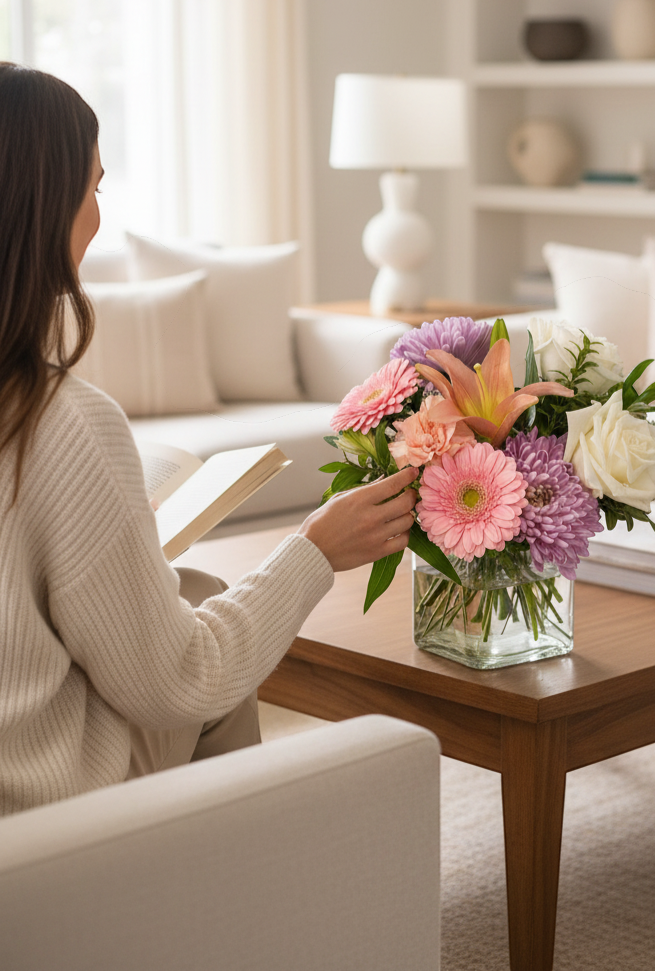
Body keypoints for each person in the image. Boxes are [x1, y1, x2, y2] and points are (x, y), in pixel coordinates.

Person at [0, 62, 418, 816]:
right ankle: (227, 884)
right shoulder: (57, 421)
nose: (97, 214)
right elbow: (178, 682)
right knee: (212, 657)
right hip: (42, 809)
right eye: (93, 189)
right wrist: (316, 547)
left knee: (190, 592)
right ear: (40, 205)